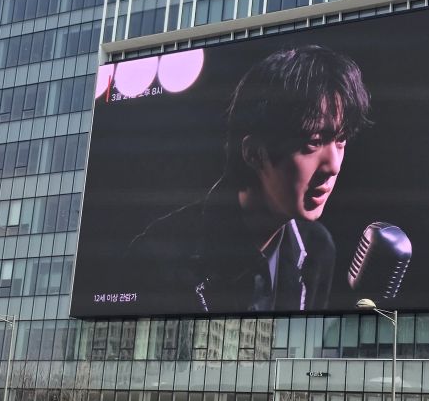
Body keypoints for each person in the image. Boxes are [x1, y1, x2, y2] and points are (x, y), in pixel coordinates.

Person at [127, 44, 371, 313]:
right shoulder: (159, 255)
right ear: (254, 153)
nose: (333, 166)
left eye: (341, 140)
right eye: (313, 142)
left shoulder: (317, 250)